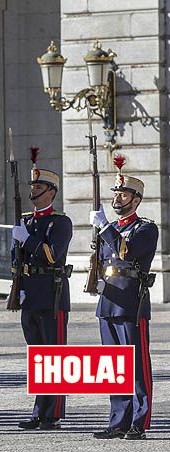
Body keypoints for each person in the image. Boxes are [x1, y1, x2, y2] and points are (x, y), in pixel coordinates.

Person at [90, 155, 156, 441]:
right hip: (109, 301)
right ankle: (118, 420)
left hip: (132, 302)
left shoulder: (145, 228)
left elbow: (125, 253)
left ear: (136, 200)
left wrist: (105, 228)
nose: (118, 199)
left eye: (124, 194)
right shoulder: (113, 229)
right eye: (116, 194)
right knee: (114, 368)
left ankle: (139, 422)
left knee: (137, 366)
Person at [12, 148, 72, 431]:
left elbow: (52, 255)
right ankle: (39, 409)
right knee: (38, 355)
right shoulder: (26, 220)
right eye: (32, 186)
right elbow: (18, 261)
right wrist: (19, 287)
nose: (33, 190)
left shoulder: (60, 222)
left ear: (51, 192)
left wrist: (28, 239)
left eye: (38, 186)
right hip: (31, 294)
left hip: (52, 293)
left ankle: (53, 412)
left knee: (54, 354)